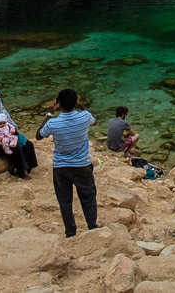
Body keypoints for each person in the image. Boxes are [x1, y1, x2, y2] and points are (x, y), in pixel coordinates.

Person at [37, 88, 98, 238]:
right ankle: (92, 226)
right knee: (88, 196)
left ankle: (71, 232)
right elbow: (95, 121)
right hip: (82, 164)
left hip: (61, 166)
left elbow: (38, 136)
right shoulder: (84, 117)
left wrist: (50, 113)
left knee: (65, 200)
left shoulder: (54, 123)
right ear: (75, 102)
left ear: (59, 104)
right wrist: (81, 105)